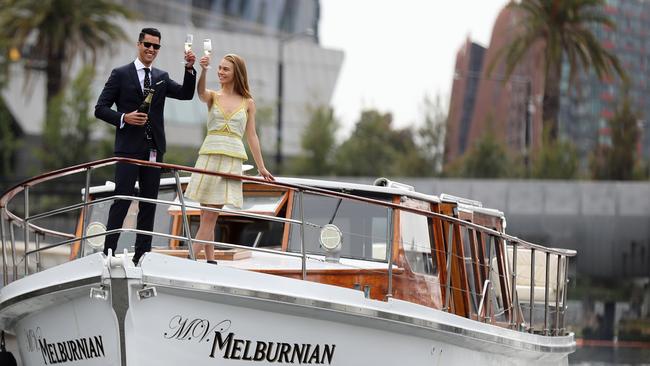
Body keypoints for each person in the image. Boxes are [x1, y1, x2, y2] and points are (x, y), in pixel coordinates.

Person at [95, 27, 197, 265]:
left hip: (154, 149)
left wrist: (190, 69)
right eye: (147, 45)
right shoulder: (120, 74)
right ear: (139, 44)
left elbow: (185, 94)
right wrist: (124, 118)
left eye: (156, 46)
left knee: (149, 202)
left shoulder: (161, 76)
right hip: (128, 148)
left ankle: (142, 255)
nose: (151, 49)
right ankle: (108, 252)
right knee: (122, 198)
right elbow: (99, 108)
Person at [184, 53, 274, 264]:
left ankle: (188, 260)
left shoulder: (248, 103)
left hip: (231, 160)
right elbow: (200, 93)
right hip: (209, 156)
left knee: (211, 214)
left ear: (237, 74)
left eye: (226, 69)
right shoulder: (213, 96)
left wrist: (261, 167)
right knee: (206, 214)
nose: (221, 72)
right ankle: (210, 260)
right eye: (220, 68)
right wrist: (204, 70)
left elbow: (252, 136)